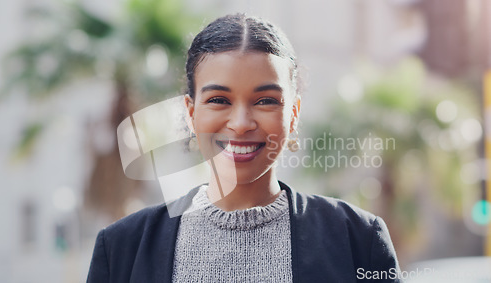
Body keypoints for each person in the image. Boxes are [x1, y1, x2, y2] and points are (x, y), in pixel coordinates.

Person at [87, 13, 400, 282]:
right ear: (191, 112)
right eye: (219, 100)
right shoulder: (121, 250)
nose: (240, 123)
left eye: (265, 100)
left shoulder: (357, 239)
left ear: (293, 114)